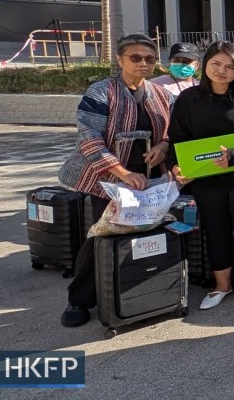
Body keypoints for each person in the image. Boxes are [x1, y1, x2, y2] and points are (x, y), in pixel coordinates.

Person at [60, 34, 173, 328]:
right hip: (107, 180)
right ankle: (79, 299)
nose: (143, 63)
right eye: (135, 57)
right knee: (103, 235)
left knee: (145, 234)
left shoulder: (161, 94)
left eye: (149, 58)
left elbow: (172, 131)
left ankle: (135, 291)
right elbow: (89, 139)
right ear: (120, 60)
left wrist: (163, 146)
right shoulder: (101, 92)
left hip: (150, 180)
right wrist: (122, 173)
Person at [168, 41, 234, 310]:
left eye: (229, 66)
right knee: (215, 232)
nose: (221, 71)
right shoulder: (189, 99)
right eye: (216, 64)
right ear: (205, 65)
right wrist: (176, 166)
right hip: (206, 180)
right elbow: (177, 138)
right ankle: (222, 286)